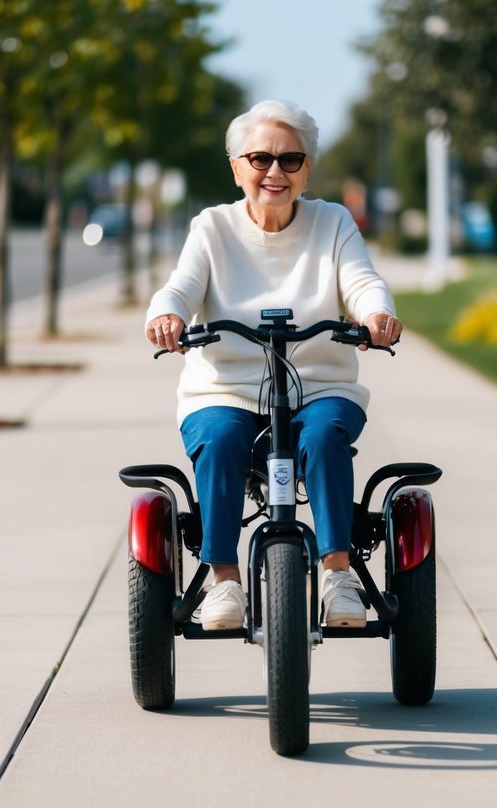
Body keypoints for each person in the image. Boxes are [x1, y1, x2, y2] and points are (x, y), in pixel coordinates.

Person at [145, 100, 402, 631]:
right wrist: (167, 314)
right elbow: (181, 286)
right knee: (218, 440)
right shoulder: (212, 228)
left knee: (328, 435)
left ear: (308, 169)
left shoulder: (332, 223)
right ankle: (223, 582)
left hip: (318, 385)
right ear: (237, 166)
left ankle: (337, 575)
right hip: (224, 388)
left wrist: (377, 314)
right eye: (260, 158)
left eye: (290, 160)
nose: (275, 172)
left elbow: (361, 281)